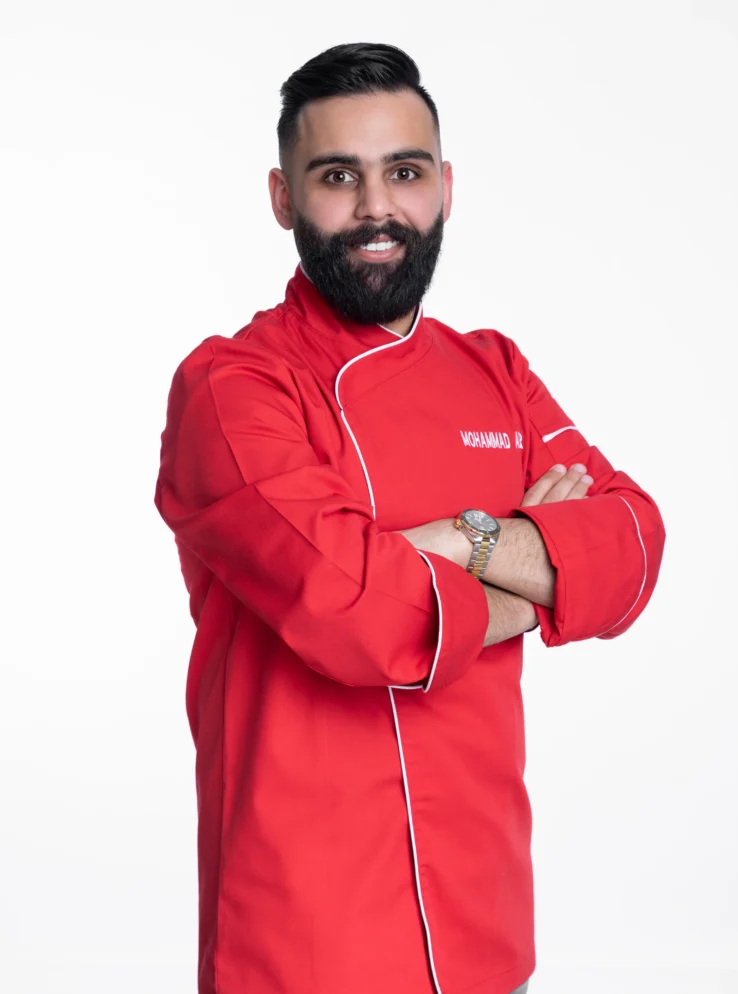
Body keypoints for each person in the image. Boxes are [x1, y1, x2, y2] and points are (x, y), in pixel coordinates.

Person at [154, 42, 665, 994]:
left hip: (486, 926)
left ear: (446, 187)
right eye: (336, 176)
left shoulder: (496, 371)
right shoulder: (234, 388)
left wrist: (455, 542)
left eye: (404, 171)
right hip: (305, 941)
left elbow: (634, 545)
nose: (376, 207)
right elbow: (356, 611)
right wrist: (543, 582)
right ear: (282, 198)